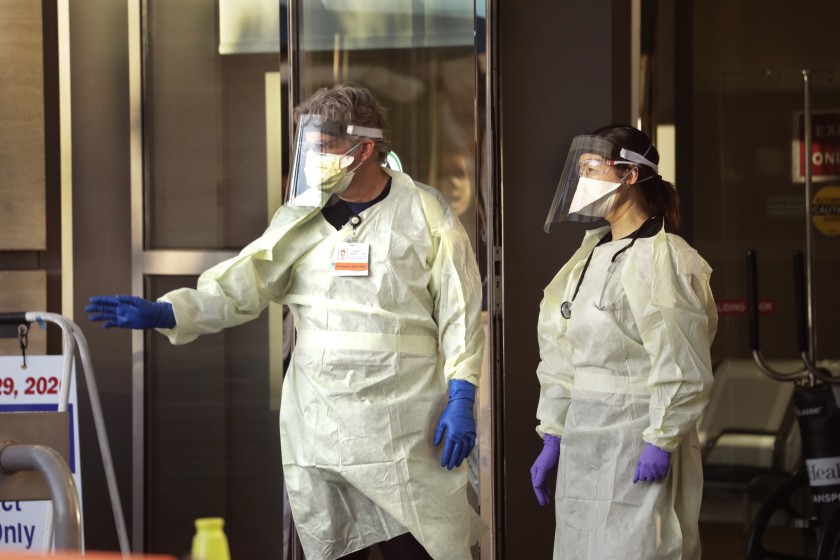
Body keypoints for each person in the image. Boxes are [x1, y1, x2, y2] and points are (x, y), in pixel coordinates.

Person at [86, 84, 485, 560]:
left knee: (424, 548)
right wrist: (169, 311)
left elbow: (459, 308)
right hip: (323, 425)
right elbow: (244, 284)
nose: (315, 158)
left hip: (407, 427)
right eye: (310, 146)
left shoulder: (424, 211)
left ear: (366, 149)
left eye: (326, 146)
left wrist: (462, 393)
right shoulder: (301, 217)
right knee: (338, 547)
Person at [529, 125, 717, 559]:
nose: (583, 180)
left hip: (638, 437)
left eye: (592, 168)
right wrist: (553, 434)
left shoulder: (666, 258)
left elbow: (682, 360)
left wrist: (661, 439)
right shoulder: (585, 259)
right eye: (580, 170)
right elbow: (561, 355)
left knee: (638, 548)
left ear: (630, 175)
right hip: (583, 442)